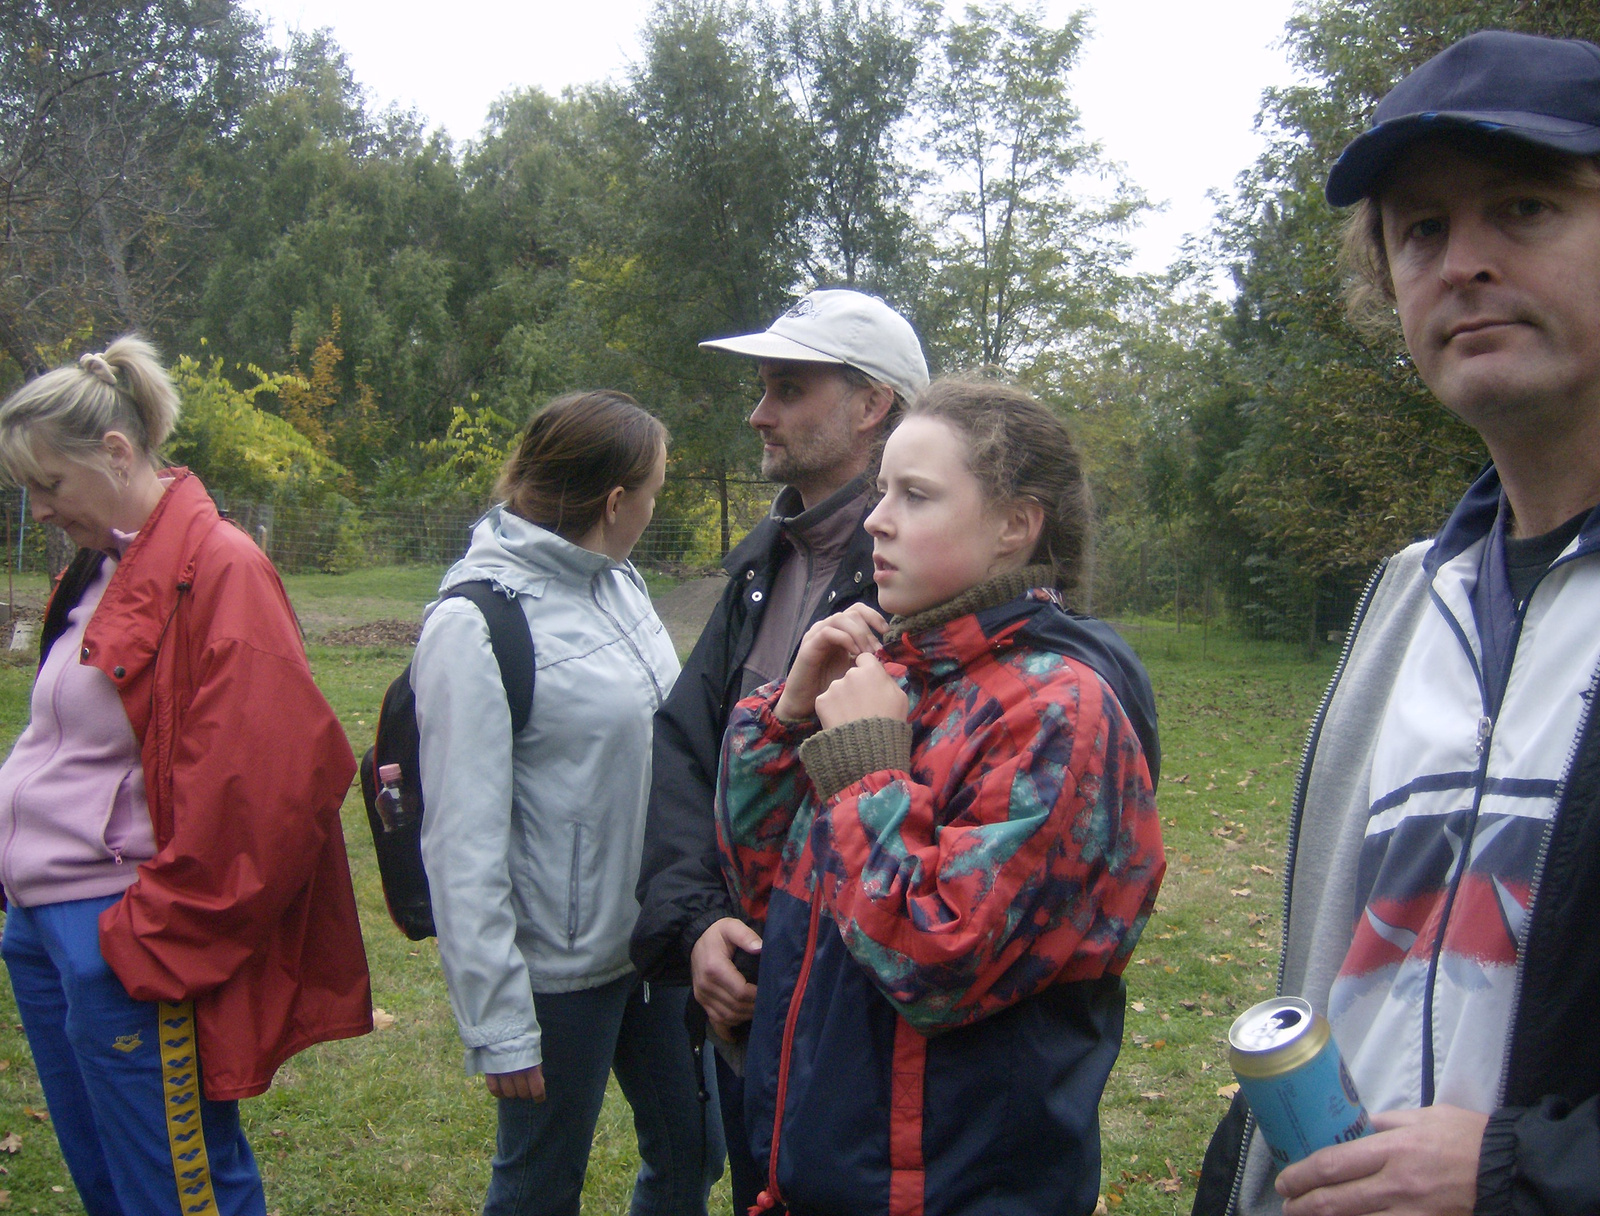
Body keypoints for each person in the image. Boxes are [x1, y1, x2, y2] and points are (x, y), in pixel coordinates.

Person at [1193, 29, 1600, 1216]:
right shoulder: (1407, 600)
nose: (1460, 261)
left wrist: (1519, 1174)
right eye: (1419, 230)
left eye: (1523, 206)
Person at [715, 378, 1165, 1214]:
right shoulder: (894, 680)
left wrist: (866, 774)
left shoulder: (1057, 711)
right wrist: (786, 721)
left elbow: (938, 963)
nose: (879, 519)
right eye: (882, 489)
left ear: (1014, 527)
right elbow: (767, 886)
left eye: (915, 495)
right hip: (823, 1171)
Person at [0, 336, 371, 1215]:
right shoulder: (104, 564)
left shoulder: (217, 566)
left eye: (50, 485)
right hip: (45, 928)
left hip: (119, 932)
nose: (39, 510)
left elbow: (271, 792)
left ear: (118, 453)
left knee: (177, 1191)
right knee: (111, 1184)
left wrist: (149, 941)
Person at [629, 288, 930, 1208]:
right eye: (764, 387)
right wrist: (696, 926)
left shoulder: (926, 579)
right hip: (746, 997)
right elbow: (687, 744)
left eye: (787, 388)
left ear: (872, 403)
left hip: (864, 1027)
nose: (758, 412)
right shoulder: (763, 564)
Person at [412, 390, 722, 1216]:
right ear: (615, 501)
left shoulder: (617, 583)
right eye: (654, 490)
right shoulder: (475, 623)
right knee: (541, 1183)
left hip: (653, 942)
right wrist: (499, 1025)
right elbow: (460, 841)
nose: (657, 507)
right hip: (559, 972)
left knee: (695, 1153)